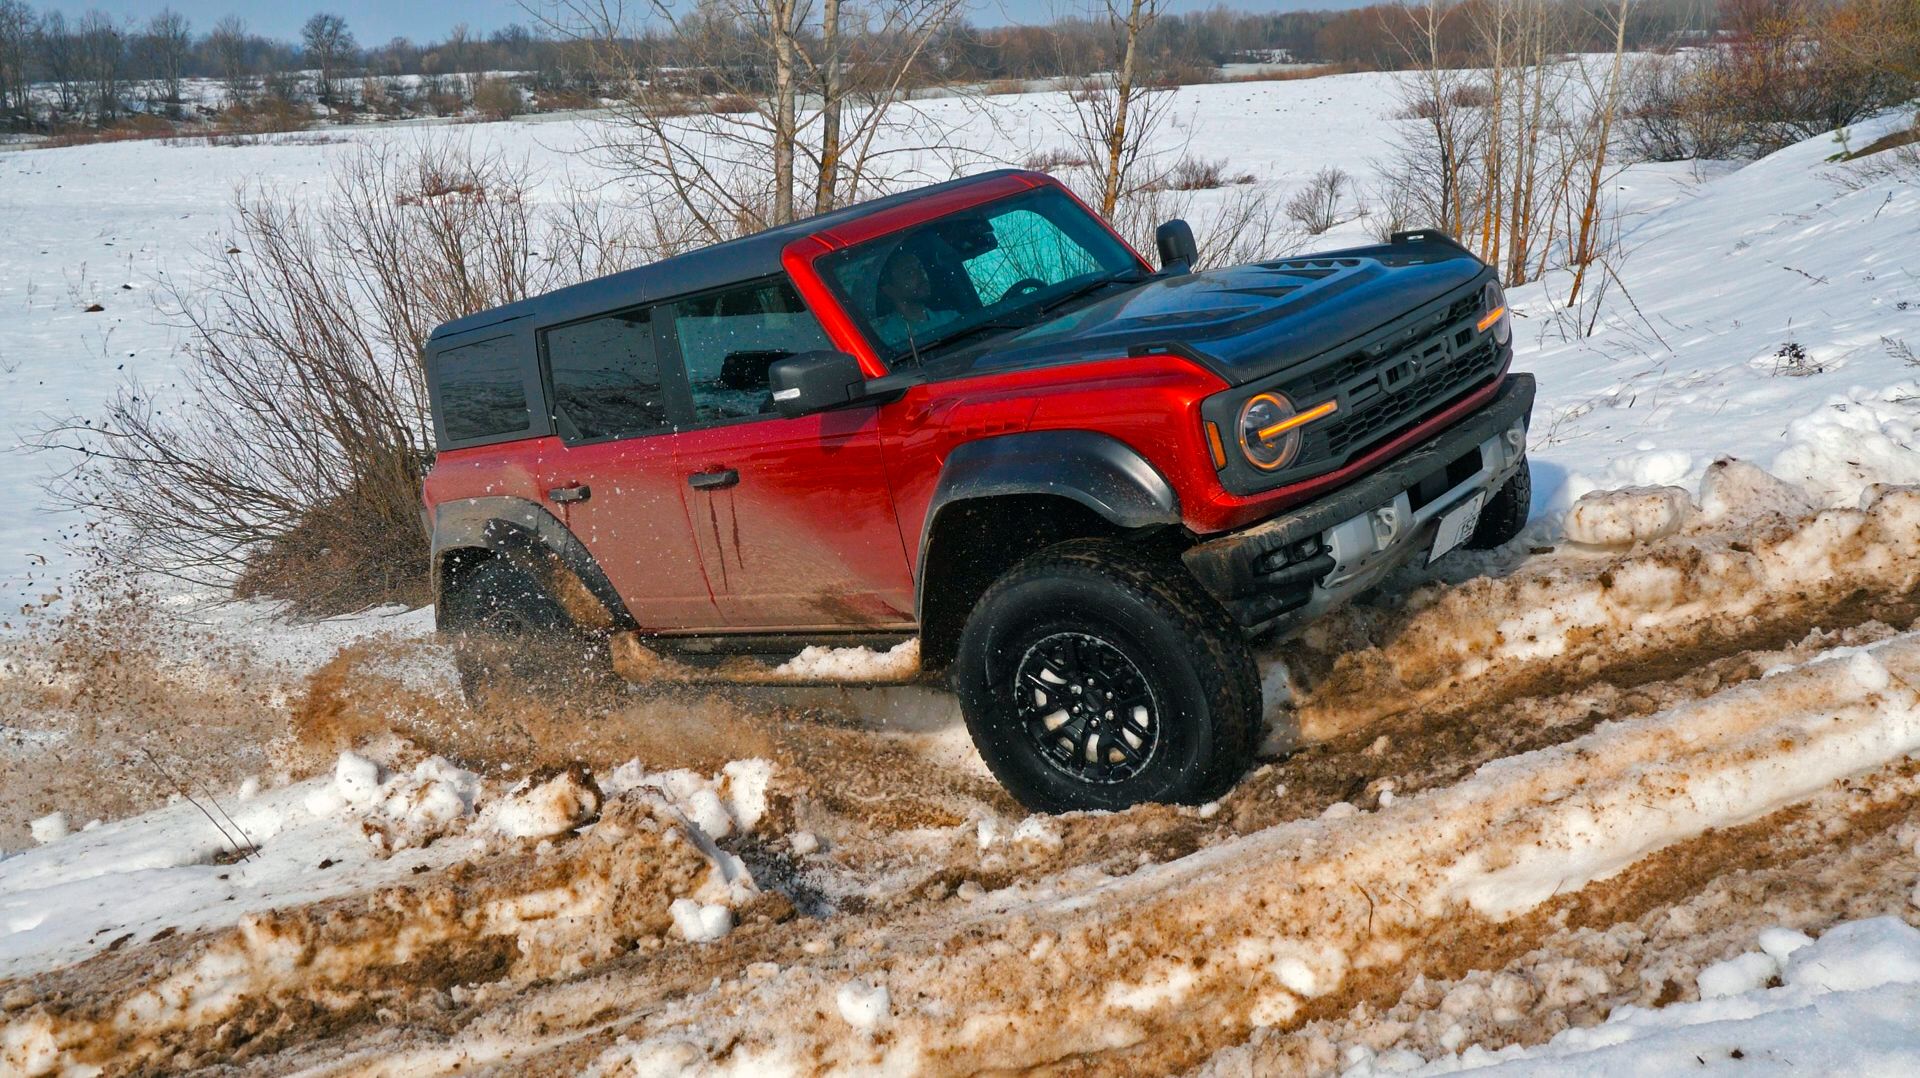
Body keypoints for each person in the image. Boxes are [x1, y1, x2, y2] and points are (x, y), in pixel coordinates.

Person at [872, 240, 963, 358]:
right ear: (890, 290)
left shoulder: (952, 319)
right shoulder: (885, 339)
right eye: (909, 272)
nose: (922, 275)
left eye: (921, 268)